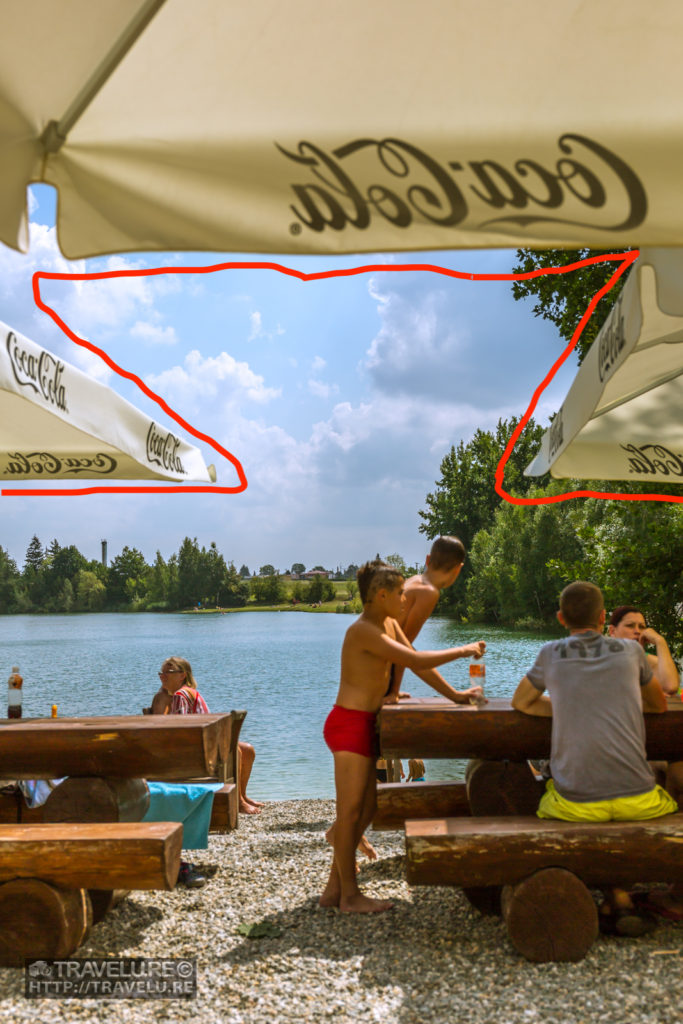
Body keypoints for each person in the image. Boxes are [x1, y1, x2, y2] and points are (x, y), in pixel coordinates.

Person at [512, 581, 677, 936]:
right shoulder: (632, 654)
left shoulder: (550, 653)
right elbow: (659, 704)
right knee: (664, 787)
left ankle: (614, 895)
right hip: (640, 801)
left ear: (560, 618)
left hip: (576, 804)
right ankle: (627, 893)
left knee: (555, 797)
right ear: (604, 618)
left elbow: (521, 703)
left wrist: (569, 707)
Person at [320, 559, 485, 914]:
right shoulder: (363, 630)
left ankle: (334, 889)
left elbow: (412, 663)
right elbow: (418, 658)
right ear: (380, 595)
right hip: (349, 725)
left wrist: (455, 696)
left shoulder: (389, 622)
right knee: (350, 815)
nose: (405, 600)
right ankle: (350, 896)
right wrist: (464, 649)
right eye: (399, 594)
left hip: (366, 725)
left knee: (369, 807)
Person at [608, 606, 683, 920]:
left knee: (678, 775)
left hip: (651, 752)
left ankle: (673, 881)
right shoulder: (606, 660)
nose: (638, 631)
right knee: (665, 774)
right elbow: (667, 690)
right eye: (630, 626)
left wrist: (661, 643)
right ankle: (627, 882)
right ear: (611, 631)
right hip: (618, 757)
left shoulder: (645, 661)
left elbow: (671, 685)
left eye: (642, 626)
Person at [152, 656, 264, 815]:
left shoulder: (181, 695)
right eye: (161, 673)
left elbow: (182, 724)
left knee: (247, 750)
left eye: (168, 672)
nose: (163, 676)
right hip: (197, 746)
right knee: (237, 751)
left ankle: (242, 797)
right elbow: (182, 727)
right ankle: (238, 800)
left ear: (183, 675)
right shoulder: (181, 694)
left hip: (202, 742)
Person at [385, 536, 484, 707]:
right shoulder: (428, 592)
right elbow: (405, 651)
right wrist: (393, 692)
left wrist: (393, 690)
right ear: (458, 569)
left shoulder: (414, 580)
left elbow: (399, 645)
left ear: (428, 560)